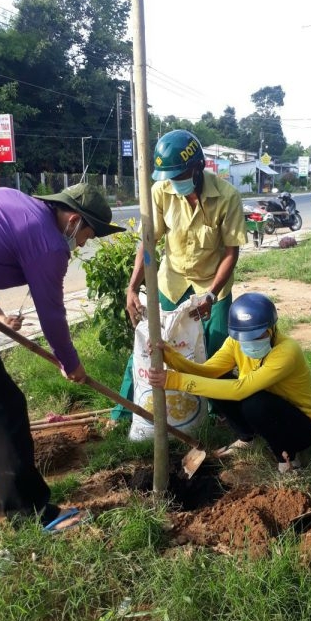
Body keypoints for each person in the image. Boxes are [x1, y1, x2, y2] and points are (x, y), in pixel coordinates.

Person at [0, 183, 125, 530]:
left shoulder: (15, 202)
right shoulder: (48, 240)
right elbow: (52, 315)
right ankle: (31, 514)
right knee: (3, 408)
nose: (83, 243)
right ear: (73, 220)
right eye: (87, 234)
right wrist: (70, 363)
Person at [110, 129, 247, 422]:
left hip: (213, 284)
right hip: (172, 280)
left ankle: (215, 411)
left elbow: (231, 253)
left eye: (180, 174)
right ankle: (125, 410)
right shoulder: (161, 192)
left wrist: (210, 294)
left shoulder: (227, 197)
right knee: (151, 340)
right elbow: (148, 243)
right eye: (171, 176)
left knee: (217, 348)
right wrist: (132, 287)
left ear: (198, 167)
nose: (176, 182)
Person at [147, 293, 311, 472]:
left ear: (271, 329)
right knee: (217, 383)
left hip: (303, 426)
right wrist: (170, 355)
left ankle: (288, 457)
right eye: (244, 336)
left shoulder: (287, 351)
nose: (249, 342)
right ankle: (248, 438)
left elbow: (240, 389)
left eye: (256, 336)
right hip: (268, 407)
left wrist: (175, 380)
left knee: (254, 404)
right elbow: (206, 372)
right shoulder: (235, 342)